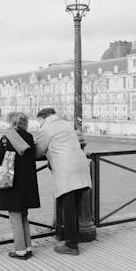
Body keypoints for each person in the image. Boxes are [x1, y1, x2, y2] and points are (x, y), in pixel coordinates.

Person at [35, 108, 91, 256]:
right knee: (75, 206)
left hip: (67, 171)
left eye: (38, 121)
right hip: (82, 167)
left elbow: (38, 151)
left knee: (68, 209)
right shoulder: (66, 124)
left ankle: (71, 245)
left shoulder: (45, 128)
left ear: (42, 118)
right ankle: (74, 238)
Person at [0, 112, 40, 260]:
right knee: (24, 216)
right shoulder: (30, 137)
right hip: (27, 183)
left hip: (12, 183)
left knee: (15, 217)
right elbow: (34, 155)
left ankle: (20, 251)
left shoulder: (7, 137)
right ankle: (28, 247)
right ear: (25, 123)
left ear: (11, 123)